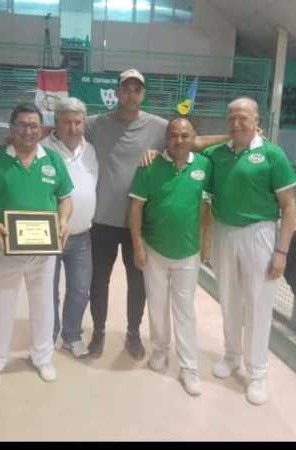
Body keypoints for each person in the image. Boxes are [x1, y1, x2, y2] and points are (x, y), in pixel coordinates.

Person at [85, 68, 227, 360]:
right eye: (126, 89)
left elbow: (194, 142)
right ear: (117, 92)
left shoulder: (160, 127)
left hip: (138, 224)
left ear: (143, 94)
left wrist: (234, 136)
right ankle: (98, 332)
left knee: (138, 284)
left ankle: (133, 334)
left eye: (137, 89)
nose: (131, 95)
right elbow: (62, 127)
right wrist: (7, 139)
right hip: (102, 220)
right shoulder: (96, 123)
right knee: (99, 281)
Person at [202, 97, 296, 405]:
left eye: (243, 118)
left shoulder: (272, 154)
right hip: (223, 232)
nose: (236, 123)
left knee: (258, 304)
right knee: (228, 298)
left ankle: (257, 373)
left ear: (257, 120)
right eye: (231, 118)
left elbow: (289, 207)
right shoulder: (217, 155)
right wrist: (226, 137)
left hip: (260, 234)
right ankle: (232, 356)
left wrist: (281, 252)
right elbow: (190, 144)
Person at [0, 103, 74, 389]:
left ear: (41, 129)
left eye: (33, 126)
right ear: (12, 127)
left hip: (43, 251)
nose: (28, 131)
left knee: (44, 306)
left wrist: (63, 221)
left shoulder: (53, 160)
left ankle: (42, 357)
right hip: (1, 248)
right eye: (22, 125)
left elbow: (65, 199)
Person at [128, 118, 211, 396]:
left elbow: (207, 206)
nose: (179, 140)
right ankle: (160, 350)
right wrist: (138, 246)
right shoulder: (149, 166)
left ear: (193, 138)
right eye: (174, 135)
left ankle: (189, 368)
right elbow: (135, 208)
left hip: (188, 253)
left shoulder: (204, 165)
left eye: (185, 135)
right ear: (166, 139)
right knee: (157, 306)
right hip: (154, 249)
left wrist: (205, 243)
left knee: (185, 310)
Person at [39, 97, 98, 358]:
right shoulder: (42, 149)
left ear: (84, 123)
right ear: (56, 122)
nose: (73, 128)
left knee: (81, 289)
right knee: (47, 290)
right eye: (67, 122)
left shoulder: (91, 150)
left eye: (78, 122)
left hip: (82, 235)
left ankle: (71, 336)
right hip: (49, 234)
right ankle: (49, 335)